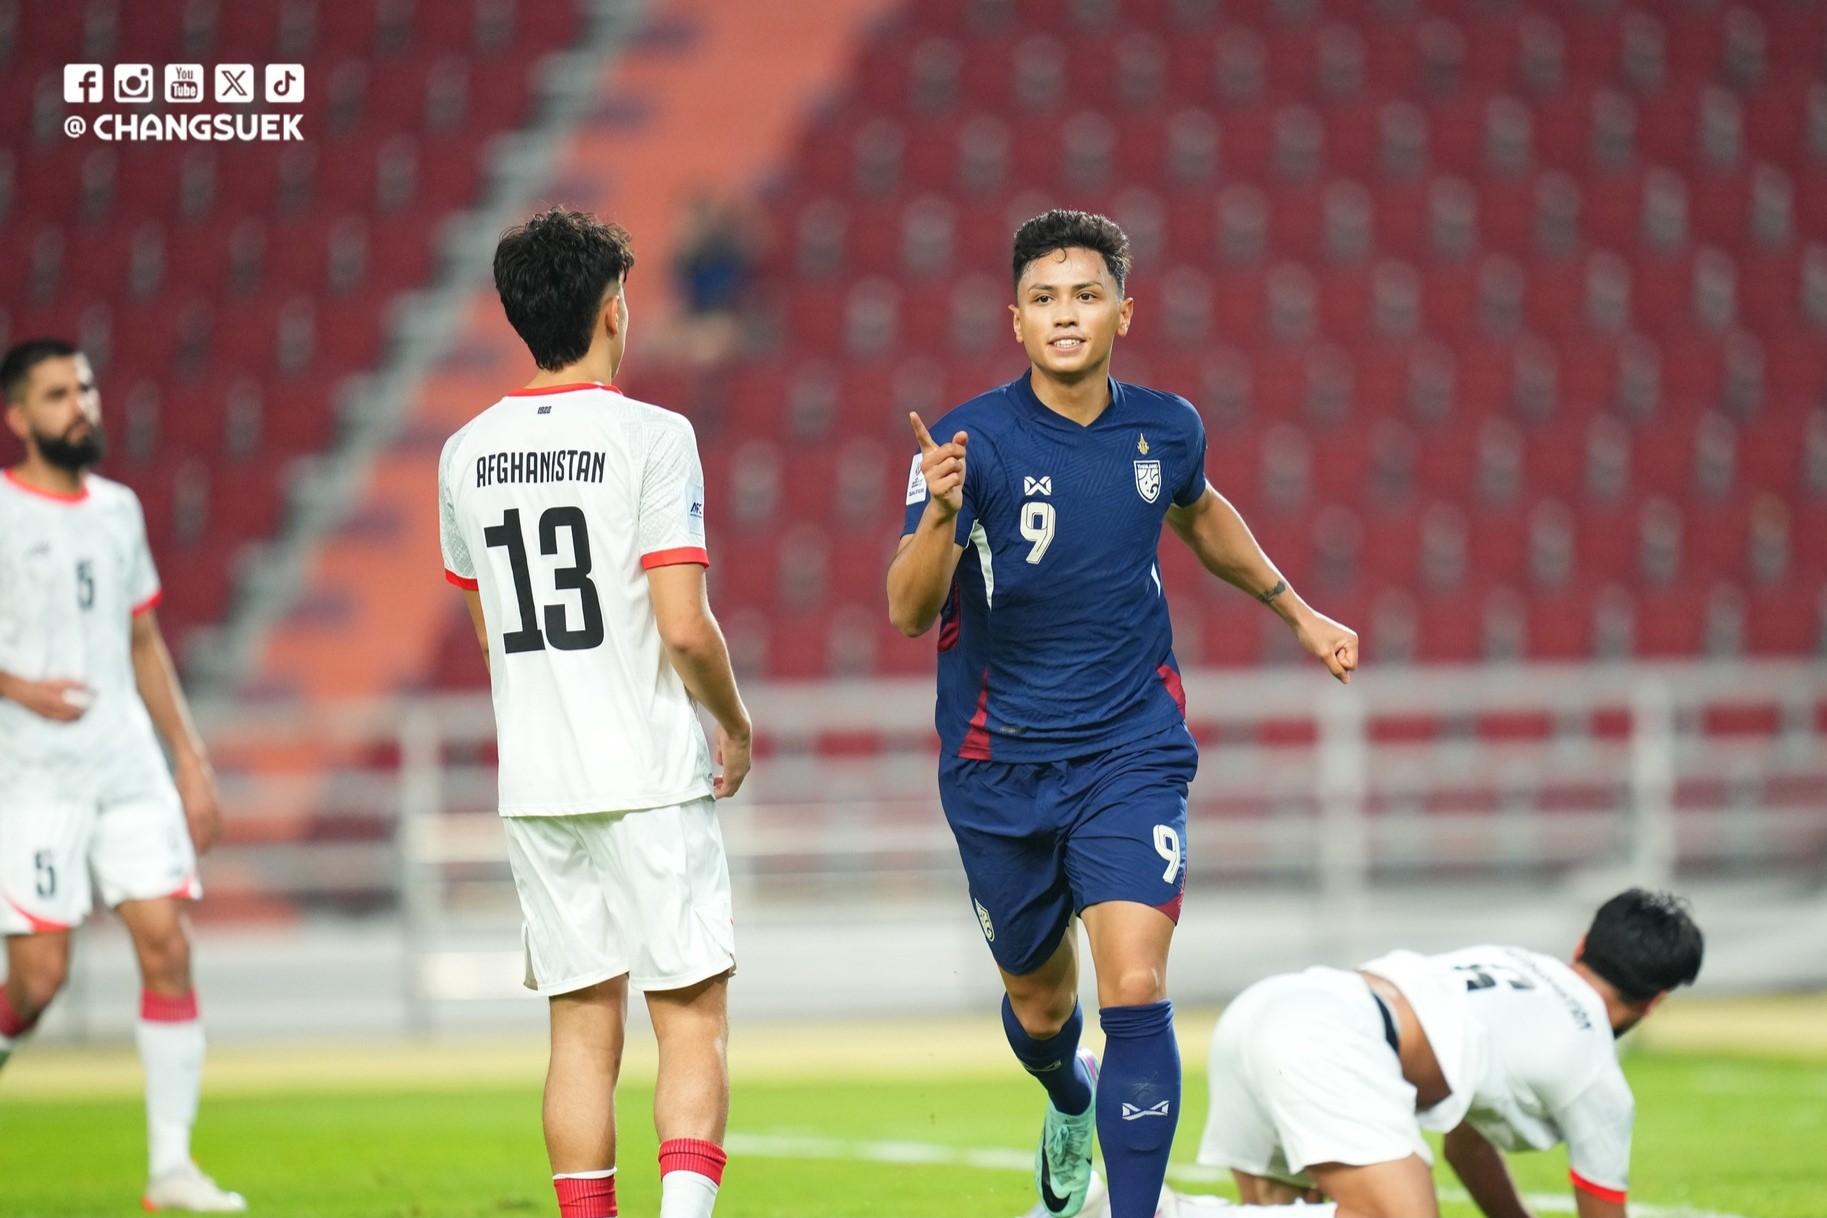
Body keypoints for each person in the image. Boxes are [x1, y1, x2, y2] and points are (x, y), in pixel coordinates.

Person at [886, 209, 1360, 1218]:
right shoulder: (969, 448)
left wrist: (1297, 611)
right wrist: (936, 511)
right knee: (1042, 1005)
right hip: (997, 764)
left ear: (1123, 313)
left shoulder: (1167, 428)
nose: (1066, 315)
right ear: (1014, 320)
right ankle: (1067, 1098)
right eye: (1045, 298)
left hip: (1129, 749)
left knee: (1134, 989)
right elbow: (906, 608)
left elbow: (1199, 512)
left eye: (1086, 295)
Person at [439, 208, 753, 1218]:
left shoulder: (465, 453)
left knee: (579, 1029)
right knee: (691, 1021)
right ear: (614, 306)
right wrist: (734, 726)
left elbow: (488, 632)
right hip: (649, 776)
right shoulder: (653, 437)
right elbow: (686, 627)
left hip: (539, 781)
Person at [0, 338, 244, 1212]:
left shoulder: (118, 510)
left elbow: (143, 640)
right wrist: (18, 685)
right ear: (18, 417)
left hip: (126, 762)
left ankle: (170, 1169)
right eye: (60, 393)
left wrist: (190, 756)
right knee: (39, 980)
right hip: (33, 776)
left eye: (89, 388)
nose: (83, 406)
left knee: (167, 946)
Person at [1197, 889, 1706, 1218]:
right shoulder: (1595, 1069)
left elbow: (1468, 1145)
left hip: (1267, 1006)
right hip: (1332, 1041)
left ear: (1581, 946)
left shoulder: (1514, 964)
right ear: (1657, 1000)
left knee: (1290, 1206)